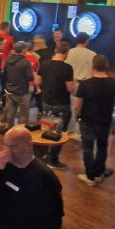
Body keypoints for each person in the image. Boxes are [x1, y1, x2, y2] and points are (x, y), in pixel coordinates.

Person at [72, 54, 115, 186]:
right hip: (105, 120)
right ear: (107, 66)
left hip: (87, 120)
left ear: (93, 66)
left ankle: (90, 176)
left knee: (88, 148)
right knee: (102, 147)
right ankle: (98, 173)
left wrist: (76, 116)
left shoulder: (85, 84)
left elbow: (77, 105)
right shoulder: (114, 83)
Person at [37, 41, 75, 169]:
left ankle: (44, 155)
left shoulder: (45, 64)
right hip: (62, 104)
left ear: (55, 50)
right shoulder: (67, 68)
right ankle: (53, 159)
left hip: (46, 102)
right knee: (59, 133)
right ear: (66, 52)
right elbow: (70, 89)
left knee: (47, 129)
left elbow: (38, 80)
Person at [2, 41, 36, 130]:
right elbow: (30, 78)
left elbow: (4, 74)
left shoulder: (8, 60)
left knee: (11, 112)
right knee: (23, 114)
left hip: (10, 90)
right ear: (24, 50)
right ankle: (21, 132)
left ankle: (9, 131)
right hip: (22, 92)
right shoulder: (25, 62)